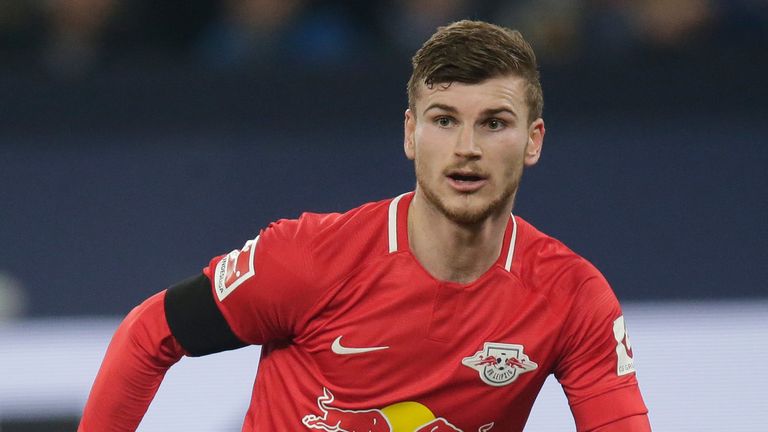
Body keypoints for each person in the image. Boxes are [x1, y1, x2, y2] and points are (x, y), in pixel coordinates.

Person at [79, 20, 650, 431]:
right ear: (410, 134)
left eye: (495, 123)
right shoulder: (308, 260)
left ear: (533, 141)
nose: (467, 149)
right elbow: (149, 333)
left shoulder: (573, 298)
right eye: (444, 120)